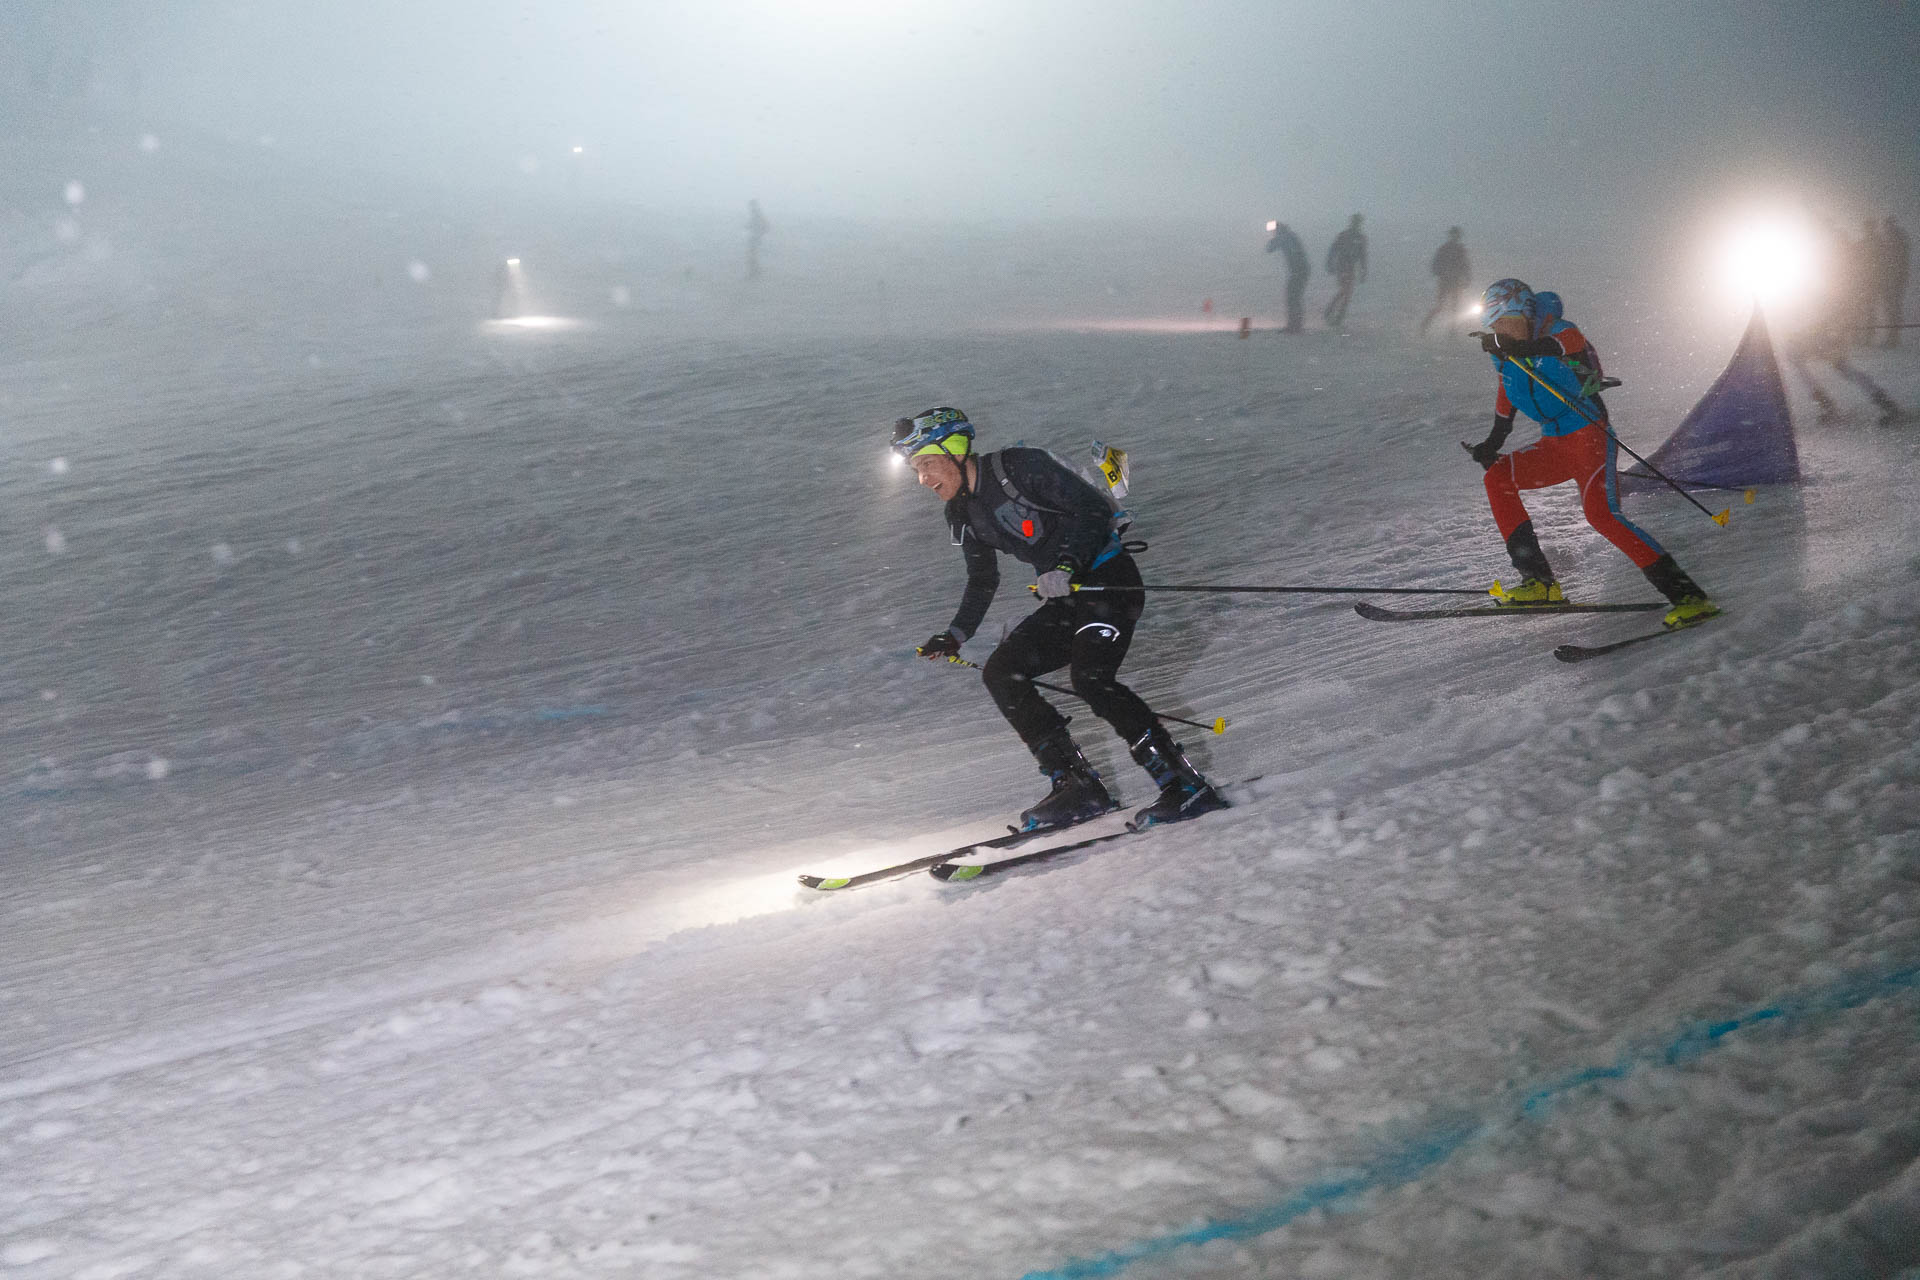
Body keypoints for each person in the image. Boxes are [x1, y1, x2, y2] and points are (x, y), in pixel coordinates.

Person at [891, 407, 1226, 830]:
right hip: (1066, 601)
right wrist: (955, 634)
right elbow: (982, 579)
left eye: (926, 464)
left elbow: (1091, 510)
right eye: (915, 470)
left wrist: (1066, 566)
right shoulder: (960, 513)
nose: (923, 479)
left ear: (955, 451)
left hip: (1109, 583)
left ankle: (1184, 785)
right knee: (1002, 672)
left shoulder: (1019, 467)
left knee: (1091, 679)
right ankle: (1077, 787)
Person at [1459, 279, 1717, 628]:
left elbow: (1566, 345)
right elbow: (1508, 393)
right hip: (1554, 444)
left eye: (1503, 321)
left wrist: (1520, 350)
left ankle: (1689, 597)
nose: (1499, 330)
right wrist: (1493, 442)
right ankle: (1539, 583)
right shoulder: (1506, 352)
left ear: (1523, 314)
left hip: (1588, 439)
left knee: (1602, 516)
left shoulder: (1559, 331)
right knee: (1498, 478)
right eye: (1495, 325)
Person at [1419, 227, 1471, 335]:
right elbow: (1436, 266)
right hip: (1449, 281)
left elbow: (1465, 265)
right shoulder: (1448, 249)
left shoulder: (1454, 249)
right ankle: (1427, 326)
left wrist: (1466, 277)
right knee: (1444, 306)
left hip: (1453, 281)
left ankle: (1450, 331)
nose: (1455, 237)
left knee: (1451, 307)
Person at [1323, 214, 1367, 329]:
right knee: (1346, 291)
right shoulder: (1346, 236)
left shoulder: (1358, 238)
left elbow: (1362, 255)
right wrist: (1330, 263)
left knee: (1346, 292)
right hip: (1343, 266)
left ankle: (1333, 313)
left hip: (1348, 267)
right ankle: (1334, 314)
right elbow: (1334, 249)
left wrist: (1363, 270)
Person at [1265, 220, 1310, 332]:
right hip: (1301, 270)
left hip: (1298, 271)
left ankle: (1294, 326)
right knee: (1295, 298)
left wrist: (1273, 238)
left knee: (1292, 298)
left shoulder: (1283, 237)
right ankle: (1296, 325)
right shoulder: (1290, 236)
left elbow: (1269, 248)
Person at [1880, 215, 1909, 348]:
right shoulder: (1893, 240)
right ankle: (1892, 336)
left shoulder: (1896, 240)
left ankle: (1893, 337)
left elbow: (1901, 261)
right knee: (1891, 309)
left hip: (1894, 280)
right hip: (1890, 279)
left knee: (1893, 309)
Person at [746, 199, 770, 281]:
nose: (750, 208)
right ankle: (756, 270)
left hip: (755, 237)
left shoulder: (757, 214)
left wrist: (759, 233)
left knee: (752, 254)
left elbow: (764, 225)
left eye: (751, 205)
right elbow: (753, 224)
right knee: (753, 254)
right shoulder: (756, 214)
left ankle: (755, 271)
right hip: (755, 236)